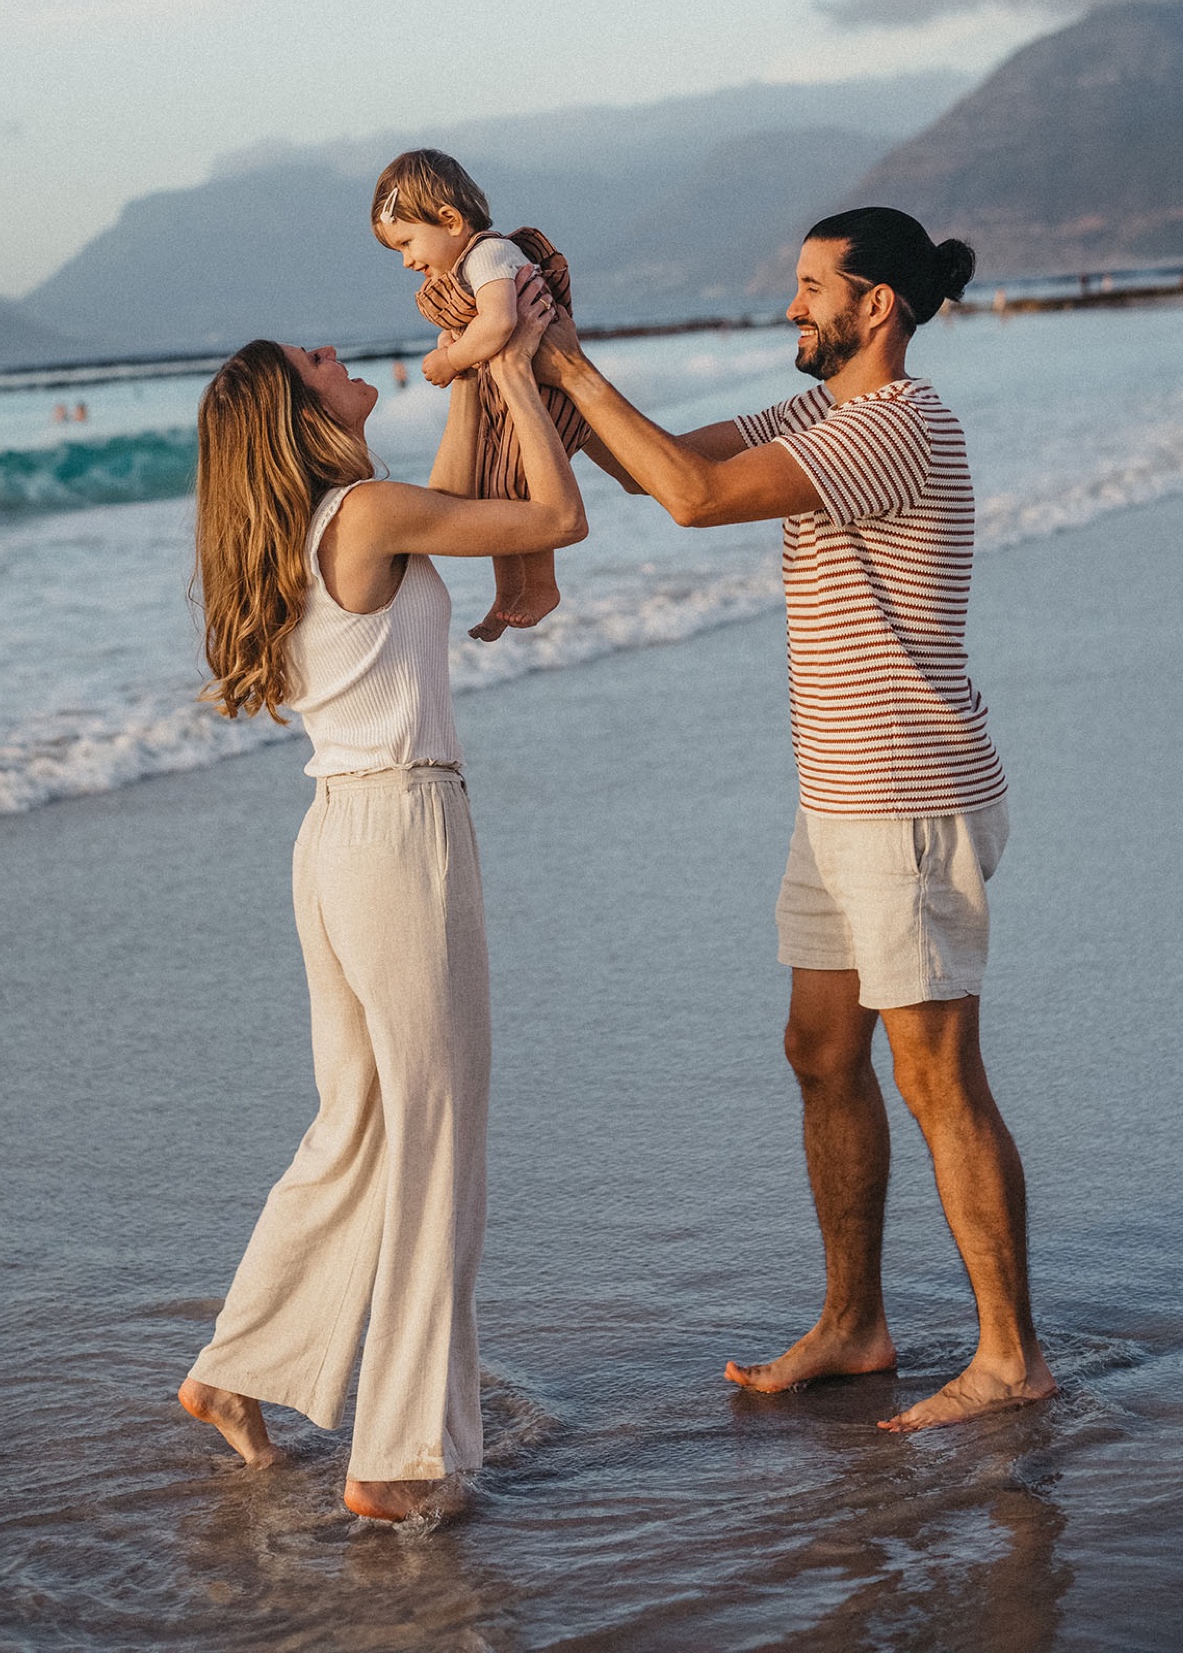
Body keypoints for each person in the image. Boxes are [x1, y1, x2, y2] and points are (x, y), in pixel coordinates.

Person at [533, 207, 1056, 1434]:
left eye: (814, 286)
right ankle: (856, 1320)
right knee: (822, 1051)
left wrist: (563, 363)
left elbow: (697, 497)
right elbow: (646, 458)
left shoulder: (900, 424)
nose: (792, 307)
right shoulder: (818, 415)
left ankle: (1010, 1356)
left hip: (912, 796)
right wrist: (552, 337)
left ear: (878, 307)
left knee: (937, 1074)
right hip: (839, 797)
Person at [177, 275, 586, 1519]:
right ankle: (403, 1457)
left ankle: (241, 1367)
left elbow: (465, 492)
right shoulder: (359, 511)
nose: (329, 346)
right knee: (434, 1135)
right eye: (309, 359)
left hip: (334, 838)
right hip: (401, 829)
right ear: (298, 415)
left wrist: (471, 365)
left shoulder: (333, 519)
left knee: (357, 1121)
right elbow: (552, 516)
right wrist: (512, 354)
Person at [372, 148, 589, 642]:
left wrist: (450, 360)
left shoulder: (490, 254)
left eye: (407, 243)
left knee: (520, 488)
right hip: (511, 396)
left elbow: (501, 321)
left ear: (450, 220)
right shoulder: (467, 266)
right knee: (498, 490)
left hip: (540, 393)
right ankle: (508, 591)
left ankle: (541, 585)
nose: (407, 261)